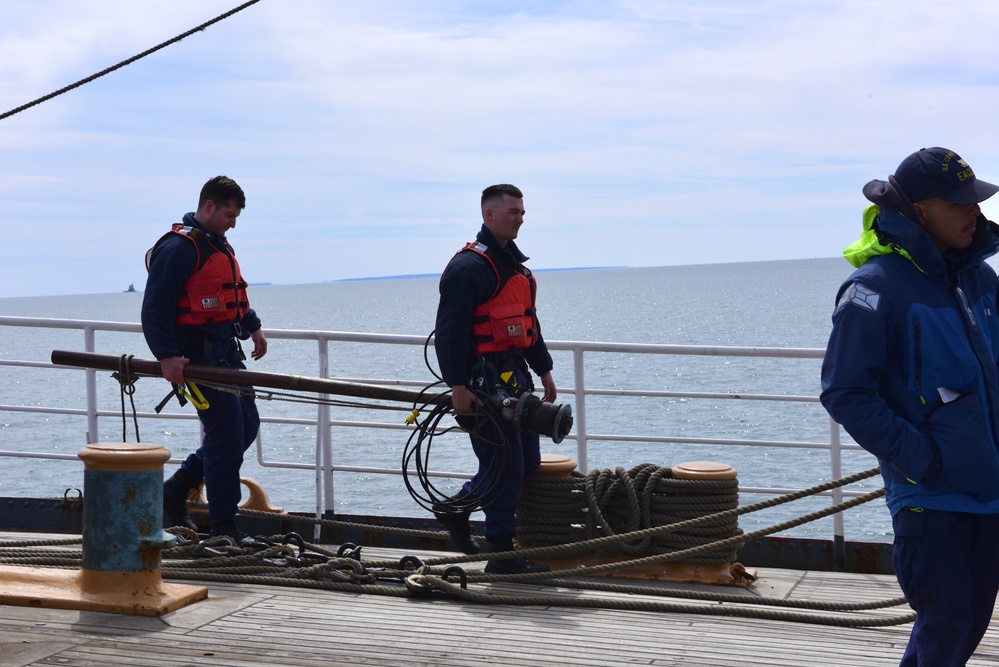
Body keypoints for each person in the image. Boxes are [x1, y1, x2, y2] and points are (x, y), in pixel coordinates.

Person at [820, 147, 999, 666]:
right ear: (919, 210)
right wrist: (923, 461)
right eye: (959, 203)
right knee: (946, 627)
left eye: (977, 200)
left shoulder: (979, 280)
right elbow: (844, 391)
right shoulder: (873, 289)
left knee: (965, 628)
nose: (975, 212)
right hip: (931, 500)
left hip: (988, 495)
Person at [433, 183, 557, 574]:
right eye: (513, 211)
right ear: (489, 215)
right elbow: (449, 331)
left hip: (516, 379)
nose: (520, 218)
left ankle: (457, 507)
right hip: (481, 382)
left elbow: (528, 325)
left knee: (528, 460)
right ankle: (501, 553)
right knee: (504, 464)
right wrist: (457, 385)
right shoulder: (468, 268)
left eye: (522, 212)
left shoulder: (517, 269)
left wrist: (545, 369)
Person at [141, 175, 268, 541]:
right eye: (229, 214)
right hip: (197, 358)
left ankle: (176, 488)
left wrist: (254, 327)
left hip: (227, 354)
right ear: (209, 206)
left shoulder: (218, 246)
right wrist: (168, 356)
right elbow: (156, 308)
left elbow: (233, 297)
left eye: (236, 216)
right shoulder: (180, 248)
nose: (233, 222)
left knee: (246, 428)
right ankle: (224, 525)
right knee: (226, 436)